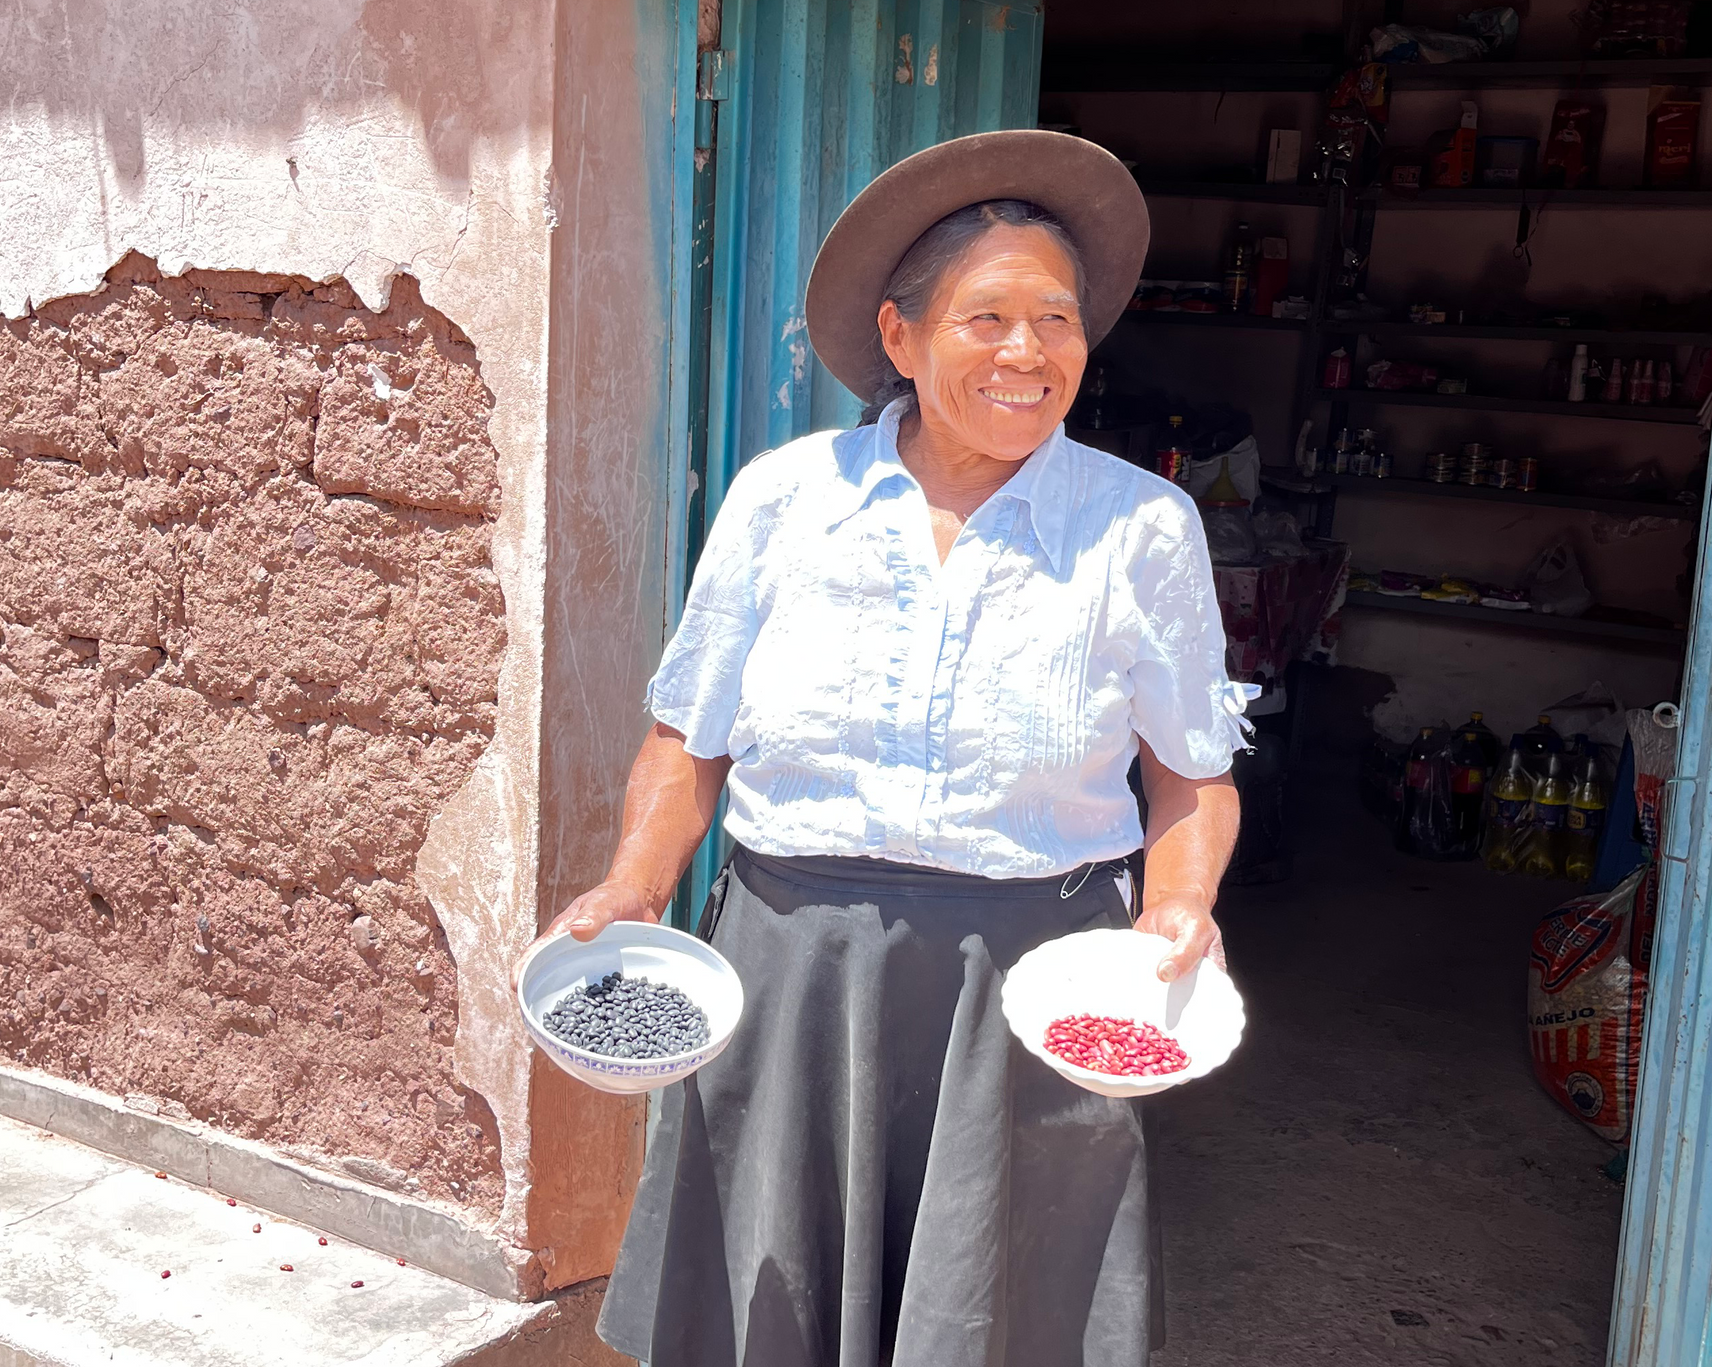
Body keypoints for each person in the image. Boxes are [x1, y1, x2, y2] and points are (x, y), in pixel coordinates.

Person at [521, 129, 1251, 1367]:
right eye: (987, 318)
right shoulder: (783, 500)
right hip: (792, 967)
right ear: (899, 338)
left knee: (992, 1317)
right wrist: (633, 887)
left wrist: (1181, 904)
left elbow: (1188, 769)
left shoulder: (1141, 526)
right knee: (768, 1312)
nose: (1029, 354)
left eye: (1056, 319)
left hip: (1028, 980)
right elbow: (686, 739)